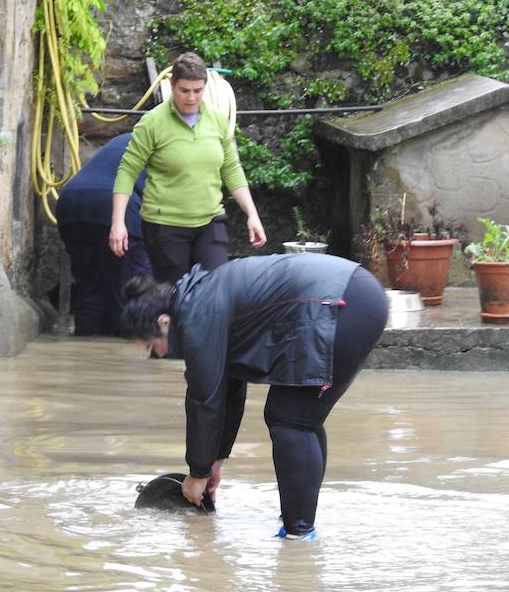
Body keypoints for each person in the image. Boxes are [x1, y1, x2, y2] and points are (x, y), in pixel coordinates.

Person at [120, 253, 388, 540]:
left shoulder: (198, 317)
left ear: (163, 322)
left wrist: (197, 474)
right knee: (299, 416)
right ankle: (299, 519)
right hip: (351, 293)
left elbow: (204, 400)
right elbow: (229, 390)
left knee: (291, 418)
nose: (156, 354)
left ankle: (299, 535)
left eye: (151, 345)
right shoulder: (200, 301)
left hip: (342, 302)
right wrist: (214, 461)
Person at [109, 52, 266, 283]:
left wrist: (252, 215)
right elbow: (127, 171)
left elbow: (231, 169)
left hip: (210, 221)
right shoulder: (152, 122)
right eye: (184, 90)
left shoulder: (217, 120)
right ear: (172, 86)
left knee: (213, 290)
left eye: (198, 90)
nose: (191, 98)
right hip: (165, 226)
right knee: (176, 296)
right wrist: (118, 223)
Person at [56, 133, 152, 336]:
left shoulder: (122, 139)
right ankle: (120, 350)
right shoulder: (164, 142)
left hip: (70, 202)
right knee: (127, 290)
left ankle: (86, 344)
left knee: (88, 288)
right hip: (114, 207)